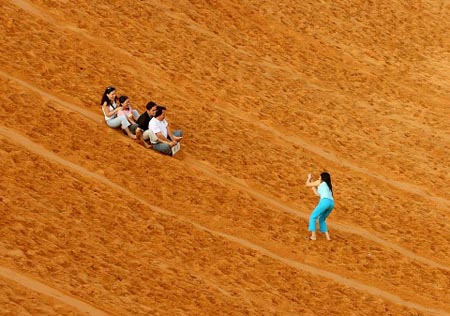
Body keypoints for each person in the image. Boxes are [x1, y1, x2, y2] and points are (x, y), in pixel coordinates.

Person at [305, 172, 334, 240]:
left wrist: (309, 178)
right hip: (331, 203)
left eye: (320, 176)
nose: (319, 177)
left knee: (313, 217)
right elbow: (317, 194)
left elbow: (307, 184)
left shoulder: (320, 182)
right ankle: (328, 238)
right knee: (322, 219)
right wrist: (312, 183)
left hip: (325, 202)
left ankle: (313, 236)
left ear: (322, 177)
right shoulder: (328, 185)